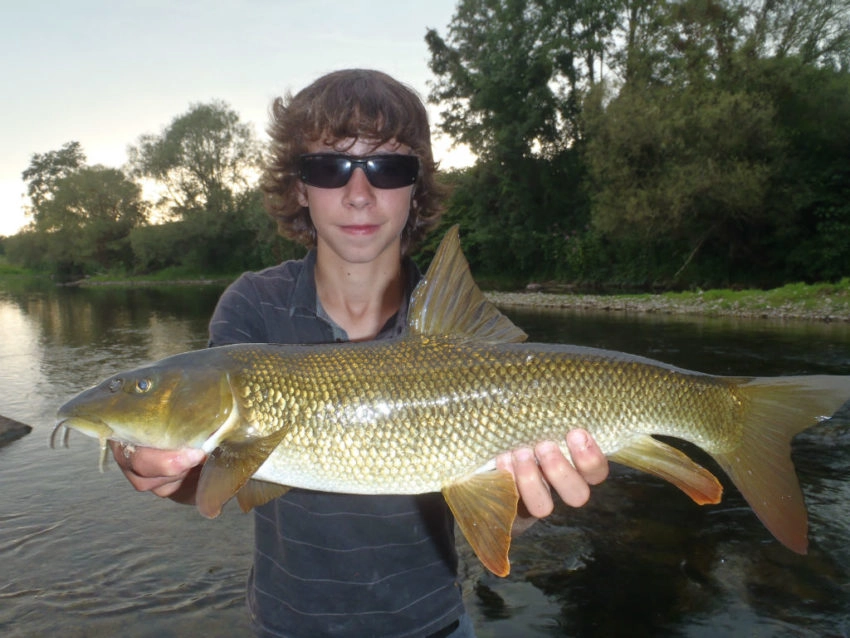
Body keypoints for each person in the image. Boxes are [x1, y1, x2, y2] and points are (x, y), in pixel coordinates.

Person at [111, 69, 609, 637]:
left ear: (416, 186)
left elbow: (493, 499)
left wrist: (525, 503)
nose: (358, 193)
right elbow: (226, 475)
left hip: (434, 624)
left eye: (387, 167)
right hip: (287, 625)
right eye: (329, 167)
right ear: (299, 186)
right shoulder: (253, 309)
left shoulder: (459, 334)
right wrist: (167, 472)